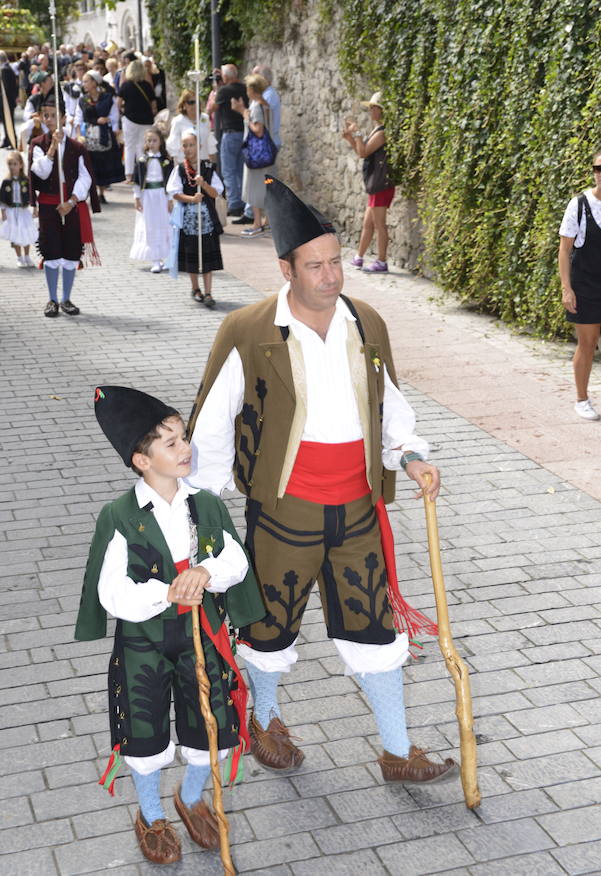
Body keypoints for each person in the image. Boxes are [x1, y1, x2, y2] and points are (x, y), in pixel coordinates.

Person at [186, 176, 458, 786]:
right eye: (316, 266)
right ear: (287, 269)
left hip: (358, 508)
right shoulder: (247, 330)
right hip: (284, 511)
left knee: (374, 626)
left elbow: (388, 402)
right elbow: (209, 425)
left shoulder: (367, 323)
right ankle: (268, 719)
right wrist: (201, 511)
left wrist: (410, 455)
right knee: (269, 625)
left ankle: (396, 750)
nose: (332, 276)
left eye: (336, 262)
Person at [74, 385, 264, 865]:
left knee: (211, 721)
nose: (186, 449)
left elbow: (236, 561)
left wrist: (206, 571)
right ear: (141, 460)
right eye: (171, 443)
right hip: (145, 643)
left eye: (184, 437)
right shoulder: (119, 516)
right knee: (144, 726)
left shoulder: (206, 504)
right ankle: (151, 812)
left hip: (204, 633)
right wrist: (166, 591)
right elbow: (111, 593)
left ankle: (193, 796)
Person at [29, 91, 101, 318]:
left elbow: (85, 177)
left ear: (62, 118)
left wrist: (72, 201)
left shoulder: (77, 147)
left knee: (70, 252)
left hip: (71, 206)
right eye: (46, 116)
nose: (49, 119)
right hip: (49, 206)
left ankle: (66, 298)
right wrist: (52, 148)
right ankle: (52, 299)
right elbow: (40, 171)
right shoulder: (38, 144)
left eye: (53, 115)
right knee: (51, 252)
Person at [559, 149, 601, 421]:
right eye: (598, 168)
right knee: (587, 343)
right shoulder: (580, 204)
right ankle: (582, 399)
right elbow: (564, 250)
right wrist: (567, 288)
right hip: (586, 285)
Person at [166, 131, 224, 309]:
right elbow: (174, 192)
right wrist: (192, 199)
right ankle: (195, 288)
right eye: (185, 145)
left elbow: (217, 192)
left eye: (191, 145)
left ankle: (208, 292)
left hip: (207, 220)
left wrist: (204, 184)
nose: (188, 149)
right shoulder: (180, 169)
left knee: (207, 255)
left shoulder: (207, 167)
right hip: (189, 220)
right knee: (192, 254)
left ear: (198, 147)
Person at [342, 91, 395, 273]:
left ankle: (381, 261)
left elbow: (364, 152)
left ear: (381, 110)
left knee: (379, 224)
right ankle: (359, 257)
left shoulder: (382, 133)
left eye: (373, 108)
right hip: (376, 184)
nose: (371, 111)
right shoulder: (376, 130)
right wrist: (351, 138)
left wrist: (356, 133)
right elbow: (361, 151)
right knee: (368, 223)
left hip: (381, 184)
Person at [233, 63, 283, 227]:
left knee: (254, 185)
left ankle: (257, 221)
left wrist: (243, 114)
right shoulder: (265, 101)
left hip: (257, 152)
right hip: (268, 151)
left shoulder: (258, 104)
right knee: (268, 183)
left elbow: (258, 130)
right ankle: (266, 220)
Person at [74, 70, 124, 203]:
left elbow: (114, 116)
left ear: (94, 82)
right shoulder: (82, 100)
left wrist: (109, 122)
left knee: (103, 164)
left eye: (86, 81)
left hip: (103, 136)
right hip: (88, 135)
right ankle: (91, 193)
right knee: (89, 164)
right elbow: (78, 119)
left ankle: (101, 193)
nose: (84, 84)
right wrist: (79, 136)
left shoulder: (107, 98)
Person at [130, 127, 173, 272]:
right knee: (150, 225)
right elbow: (137, 181)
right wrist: (137, 198)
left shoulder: (166, 160)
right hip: (148, 196)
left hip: (161, 195)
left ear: (160, 142)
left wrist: (170, 199)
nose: (152, 143)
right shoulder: (142, 160)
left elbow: (171, 181)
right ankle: (155, 259)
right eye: (149, 140)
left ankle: (166, 257)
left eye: (155, 140)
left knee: (164, 224)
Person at [215, 63, 248, 217]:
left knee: (228, 170)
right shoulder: (245, 88)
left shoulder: (223, 91)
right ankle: (244, 201)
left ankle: (234, 203)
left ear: (225, 76)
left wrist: (217, 88)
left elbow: (212, 108)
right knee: (242, 171)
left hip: (230, 133)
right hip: (245, 133)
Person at [118, 59, 156, 182]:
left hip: (130, 119)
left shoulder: (126, 85)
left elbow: (118, 103)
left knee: (129, 146)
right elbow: (154, 104)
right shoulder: (147, 85)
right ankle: (143, 173)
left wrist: (122, 113)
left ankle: (129, 175)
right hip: (146, 120)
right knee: (142, 146)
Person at [0, 150, 38, 267]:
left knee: (25, 232)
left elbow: (32, 195)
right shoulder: (6, 182)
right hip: (11, 211)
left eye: (15, 164)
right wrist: (3, 212)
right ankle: (19, 257)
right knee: (15, 233)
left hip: (23, 210)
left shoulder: (26, 181)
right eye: (10, 164)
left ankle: (27, 256)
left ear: (21, 165)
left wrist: (35, 208)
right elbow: (2, 198)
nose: (12, 167)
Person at [166, 89, 216, 165]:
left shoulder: (205, 118)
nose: (195, 105)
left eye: (197, 102)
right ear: (184, 105)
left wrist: (212, 164)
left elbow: (210, 143)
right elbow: (173, 147)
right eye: (191, 102)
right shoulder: (178, 121)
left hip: (203, 162)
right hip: (184, 164)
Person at [0, 50, 18, 148]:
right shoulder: (7, 68)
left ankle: (11, 140)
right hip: (8, 100)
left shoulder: (4, 69)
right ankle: (7, 139)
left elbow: (6, 87)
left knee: (9, 121)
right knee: (6, 121)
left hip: (6, 101)